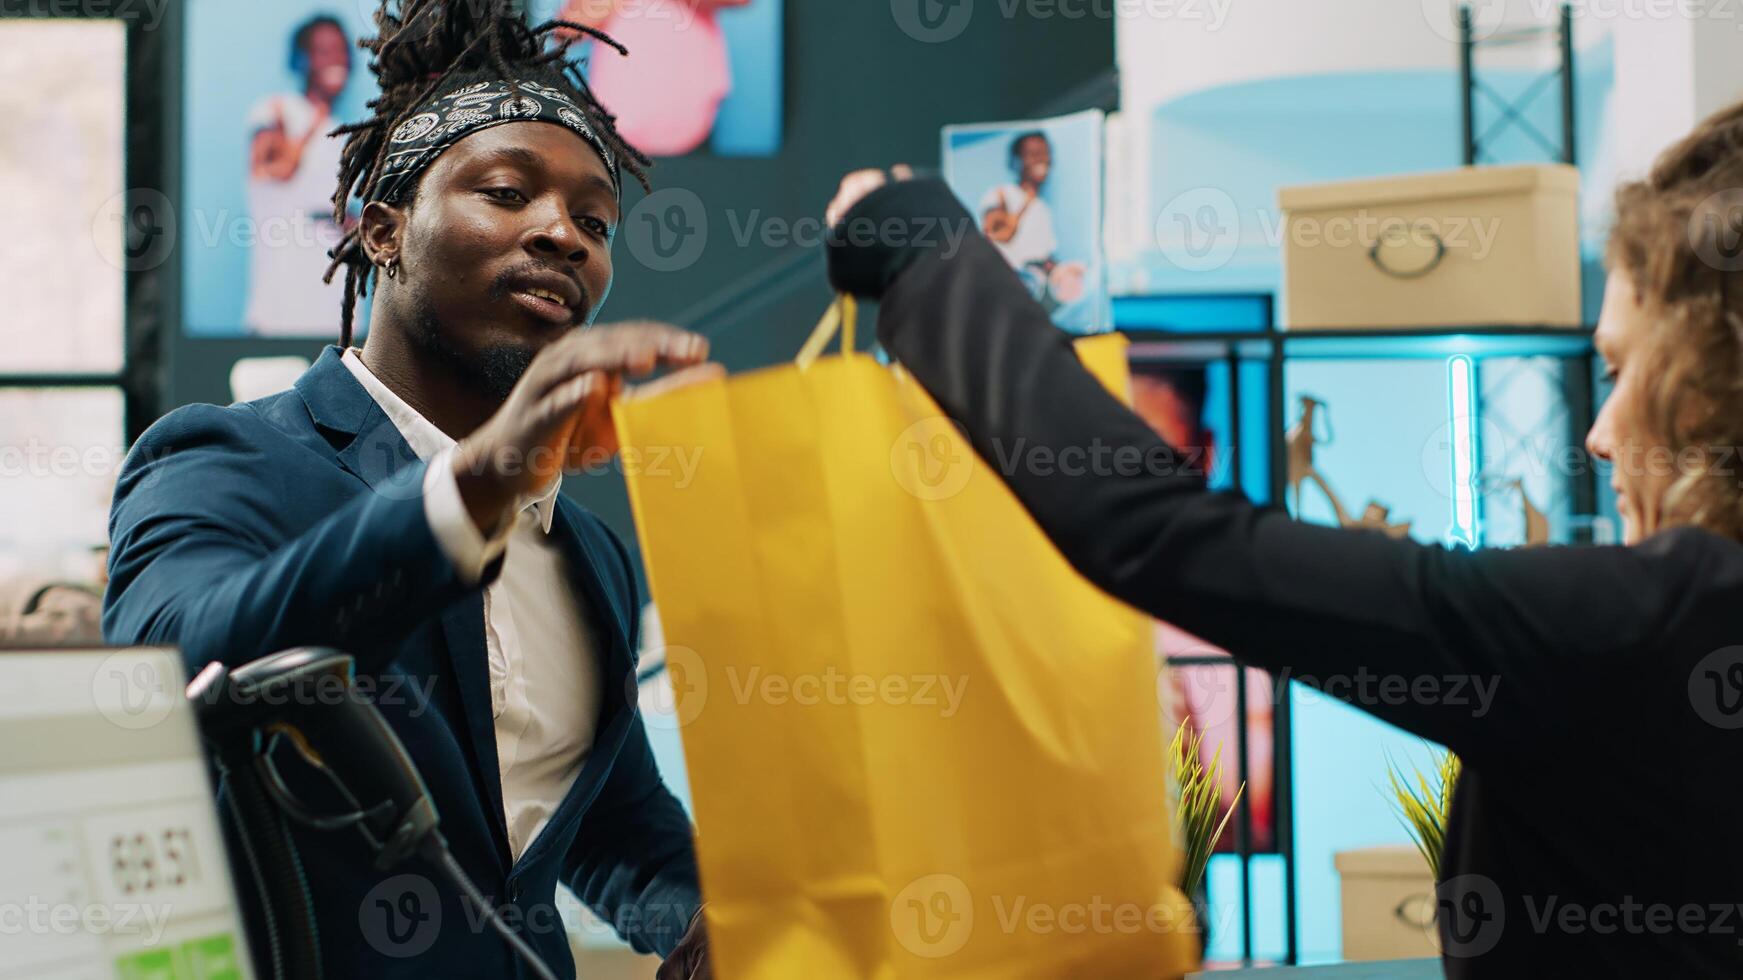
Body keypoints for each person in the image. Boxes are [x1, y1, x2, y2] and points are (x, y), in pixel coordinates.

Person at [823, 103, 1743, 975]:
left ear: (1708, 381)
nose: (1600, 429)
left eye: (1624, 370)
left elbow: (1156, 532)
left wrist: (925, 252)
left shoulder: (1645, 623)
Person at [107, 3, 718, 977]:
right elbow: (162, 679)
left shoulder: (589, 552)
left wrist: (703, 915)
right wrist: (475, 481)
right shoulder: (227, 457)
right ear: (380, 230)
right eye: (509, 192)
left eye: (595, 220)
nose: (563, 233)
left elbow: (604, 813)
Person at [243, 14, 354, 336]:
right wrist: (314, 122)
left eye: (340, 50)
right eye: (323, 50)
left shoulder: (343, 130)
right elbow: (275, 171)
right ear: (302, 59)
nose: (335, 59)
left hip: (332, 284)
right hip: (285, 286)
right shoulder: (274, 110)